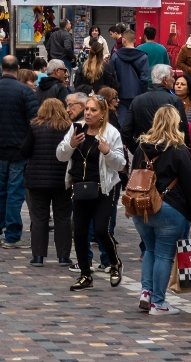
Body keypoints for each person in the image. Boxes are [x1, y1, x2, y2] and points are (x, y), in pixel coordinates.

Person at [130, 106, 191, 316]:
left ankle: (146, 292)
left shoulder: (141, 148)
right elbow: (189, 185)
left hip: (141, 207)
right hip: (170, 207)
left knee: (150, 250)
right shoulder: (179, 151)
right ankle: (158, 303)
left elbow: (133, 178)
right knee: (164, 255)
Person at [56, 93, 125, 291]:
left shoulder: (111, 133)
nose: (88, 113)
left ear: (102, 113)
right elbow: (60, 155)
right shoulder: (76, 129)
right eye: (86, 109)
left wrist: (107, 151)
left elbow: (120, 164)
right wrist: (71, 145)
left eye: (93, 110)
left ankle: (114, 263)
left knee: (102, 230)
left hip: (104, 187)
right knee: (79, 232)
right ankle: (85, 274)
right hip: (80, 187)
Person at [0, 56, 39, 248]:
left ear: (0, 68)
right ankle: (12, 236)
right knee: (14, 193)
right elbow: (35, 122)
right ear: (18, 68)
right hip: (19, 149)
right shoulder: (25, 92)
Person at [24, 98, 72, 267]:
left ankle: (38, 256)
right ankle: (63, 256)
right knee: (63, 218)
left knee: (39, 218)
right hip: (62, 180)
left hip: (37, 179)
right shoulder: (68, 127)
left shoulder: (34, 126)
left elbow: (25, 150)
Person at [120, 64, 189, 152]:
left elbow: (126, 131)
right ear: (165, 79)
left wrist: (136, 149)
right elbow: (183, 130)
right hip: (168, 153)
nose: (173, 79)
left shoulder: (137, 100)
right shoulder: (174, 100)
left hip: (144, 153)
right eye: (172, 76)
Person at [111, 28, 150, 123]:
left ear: (123, 40)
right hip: (137, 95)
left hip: (121, 95)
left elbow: (112, 78)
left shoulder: (115, 56)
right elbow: (144, 79)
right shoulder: (143, 57)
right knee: (137, 122)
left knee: (122, 122)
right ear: (135, 40)